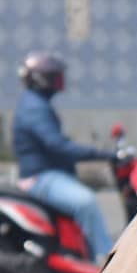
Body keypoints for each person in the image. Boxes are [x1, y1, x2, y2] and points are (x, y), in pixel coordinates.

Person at [12, 51, 114, 261]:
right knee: (86, 202)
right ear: (41, 79)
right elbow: (57, 145)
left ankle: (83, 255)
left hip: (48, 174)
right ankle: (105, 260)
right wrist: (100, 154)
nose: (59, 81)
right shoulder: (35, 107)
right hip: (41, 177)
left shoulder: (36, 103)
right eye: (54, 76)